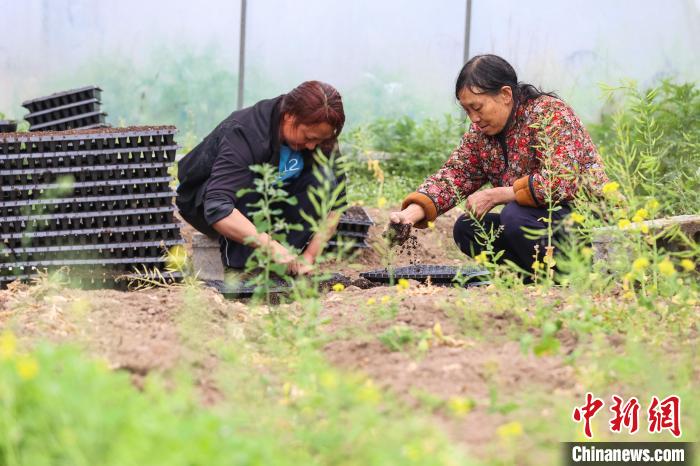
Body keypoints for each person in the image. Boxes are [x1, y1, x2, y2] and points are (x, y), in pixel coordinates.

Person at [389, 54, 608, 274]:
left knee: (514, 216)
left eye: (477, 107)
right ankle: (528, 276)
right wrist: (411, 213)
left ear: (505, 94)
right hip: (536, 224)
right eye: (467, 111)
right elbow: (455, 175)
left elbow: (560, 182)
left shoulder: (551, 114)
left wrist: (499, 194)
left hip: (583, 222)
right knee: (467, 229)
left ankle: (571, 275)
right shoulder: (481, 135)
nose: (473, 118)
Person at [176, 81, 346, 275]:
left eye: (319, 140)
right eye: (308, 137)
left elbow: (336, 204)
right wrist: (272, 247)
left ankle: (285, 266)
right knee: (251, 182)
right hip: (206, 201)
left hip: (272, 196)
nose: (312, 146)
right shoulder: (246, 131)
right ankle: (241, 270)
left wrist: (308, 258)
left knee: (324, 180)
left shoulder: (320, 135)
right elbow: (218, 206)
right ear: (290, 117)